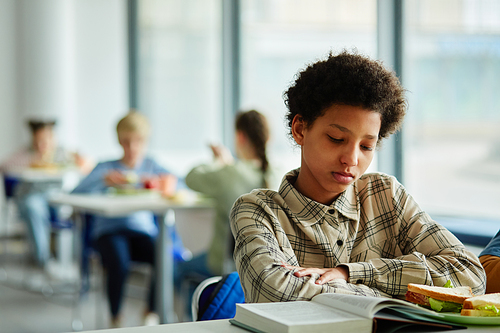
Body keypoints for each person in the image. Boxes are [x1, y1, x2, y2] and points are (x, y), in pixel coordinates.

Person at [230, 50, 486, 303]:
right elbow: (278, 293)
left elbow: (471, 275)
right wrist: (406, 296)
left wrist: (351, 273)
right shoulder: (258, 212)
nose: (351, 160)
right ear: (300, 129)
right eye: (336, 139)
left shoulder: (386, 196)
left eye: (366, 146)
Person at [71, 111, 177, 327]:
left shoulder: (152, 167)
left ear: (145, 141)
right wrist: (102, 180)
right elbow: (76, 193)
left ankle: (151, 312)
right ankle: (115, 318)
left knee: (164, 256)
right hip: (109, 232)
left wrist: (160, 183)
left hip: (142, 232)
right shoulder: (106, 168)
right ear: (119, 141)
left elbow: (178, 183)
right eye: (126, 142)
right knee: (119, 262)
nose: (132, 148)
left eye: (137, 142)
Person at [179, 110, 274, 283]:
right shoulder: (277, 174)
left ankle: (197, 310)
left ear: (240, 137)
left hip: (227, 266)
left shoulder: (230, 174)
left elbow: (191, 177)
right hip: (266, 269)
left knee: (177, 269)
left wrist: (220, 161)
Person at [0, 119, 91, 267]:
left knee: (76, 206)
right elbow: (4, 166)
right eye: (38, 140)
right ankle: (43, 260)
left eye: (47, 139)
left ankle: (75, 263)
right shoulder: (26, 153)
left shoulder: (61, 153)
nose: (43, 145)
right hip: (29, 197)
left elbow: (87, 166)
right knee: (34, 207)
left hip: (54, 198)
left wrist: (79, 160)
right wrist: (31, 161)